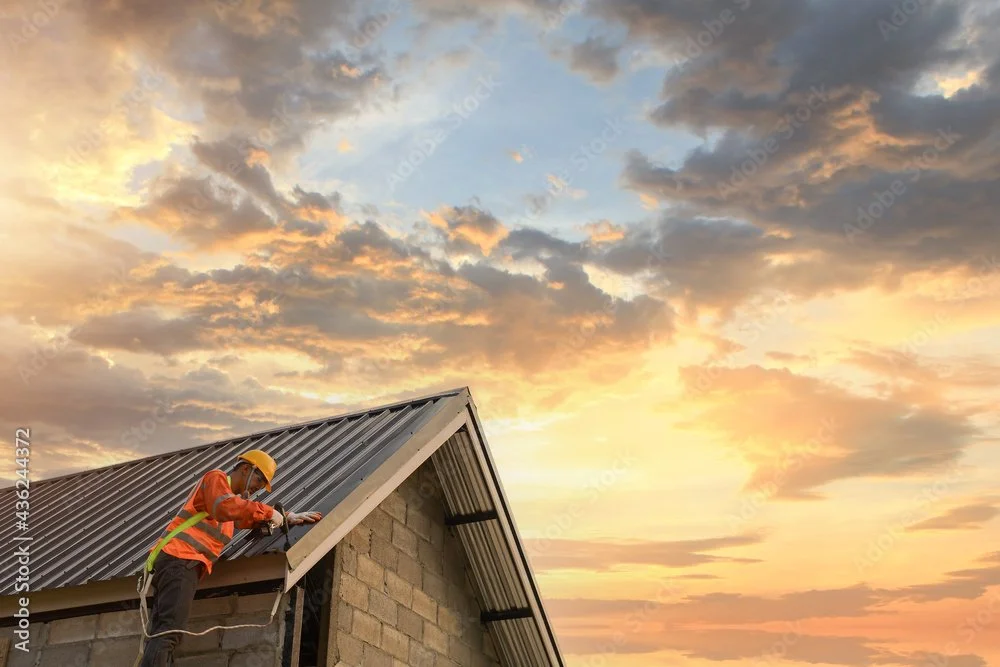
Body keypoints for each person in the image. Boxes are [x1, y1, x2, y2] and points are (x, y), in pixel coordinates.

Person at [139, 449, 322, 667]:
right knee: (170, 632)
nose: (259, 488)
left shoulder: (230, 506)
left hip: (178, 564)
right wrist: (267, 511)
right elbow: (225, 507)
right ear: (246, 468)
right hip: (180, 560)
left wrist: (285, 516)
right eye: (259, 479)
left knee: (163, 632)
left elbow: (246, 516)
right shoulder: (215, 479)